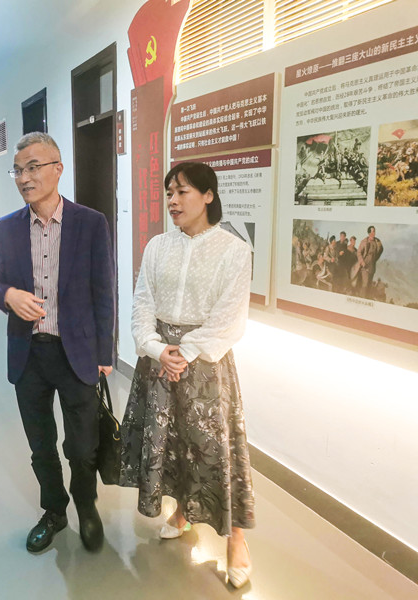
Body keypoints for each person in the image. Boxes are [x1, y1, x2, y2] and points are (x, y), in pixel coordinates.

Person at [120, 162, 254, 588]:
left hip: (206, 367)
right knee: (171, 443)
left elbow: (229, 319)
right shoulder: (157, 246)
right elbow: (142, 303)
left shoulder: (234, 251)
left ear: (208, 196)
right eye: (169, 193)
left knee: (214, 450)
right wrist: (157, 348)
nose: (173, 201)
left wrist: (184, 353)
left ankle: (236, 539)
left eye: (182, 192)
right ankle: (181, 512)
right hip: (160, 361)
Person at [0, 132, 115, 553]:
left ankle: (86, 507)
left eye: (33, 167)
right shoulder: (5, 229)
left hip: (76, 353)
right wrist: (8, 295)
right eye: (18, 170)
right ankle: (55, 512)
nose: (24, 178)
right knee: (40, 446)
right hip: (29, 354)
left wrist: (105, 353)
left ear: (58, 169)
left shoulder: (90, 223)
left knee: (82, 447)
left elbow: (104, 291)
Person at [356, 225, 384, 299]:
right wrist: (362, 262)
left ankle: (367, 299)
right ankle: (362, 299)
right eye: (373, 231)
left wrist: (375, 259)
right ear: (369, 233)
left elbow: (380, 251)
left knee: (369, 285)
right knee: (365, 284)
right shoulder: (364, 242)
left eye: (374, 231)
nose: (374, 233)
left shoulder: (377, 241)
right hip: (365, 266)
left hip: (372, 266)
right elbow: (358, 252)